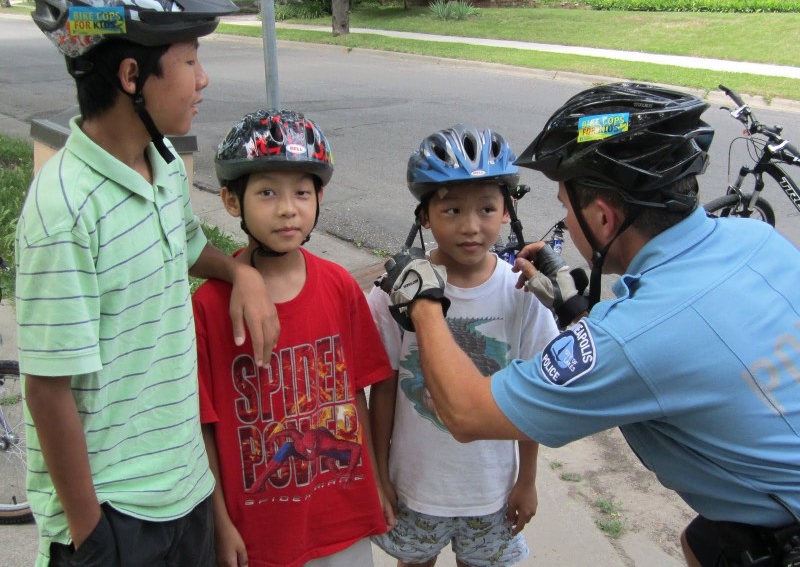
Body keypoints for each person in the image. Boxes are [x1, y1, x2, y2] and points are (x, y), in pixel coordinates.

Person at [379, 83, 800, 567]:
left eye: (563, 205)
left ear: (602, 216)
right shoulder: (757, 238)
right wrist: (576, 311)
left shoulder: (631, 337)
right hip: (771, 503)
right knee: (706, 543)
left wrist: (425, 302)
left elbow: (467, 414)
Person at [17, 0, 278, 566]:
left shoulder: (159, 162)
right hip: (116, 515)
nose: (203, 78)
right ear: (133, 77)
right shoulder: (64, 212)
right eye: (189, 60)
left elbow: (185, 244)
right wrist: (93, 539)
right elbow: (47, 390)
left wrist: (237, 274)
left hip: (183, 488)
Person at [194, 109, 394, 567]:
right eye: (266, 192)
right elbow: (203, 426)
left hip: (339, 519)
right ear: (230, 200)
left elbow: (356, 392)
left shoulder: (340, 286)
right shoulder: (208, 306)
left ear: (318, 197)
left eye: (302, 192)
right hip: (258, 535)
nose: (288, 208)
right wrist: (218, 522)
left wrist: (376, 482)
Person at [368, 125, 559, 567]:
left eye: (487, 208)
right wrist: (380, 476)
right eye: (451, 210)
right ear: (423, 217)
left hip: (492, 491)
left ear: (507, 211)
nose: (471, 227)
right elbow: (381, 388)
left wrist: (527, 479)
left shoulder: (521, 291)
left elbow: (535, 391)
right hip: (415, 488)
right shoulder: (395, 292)